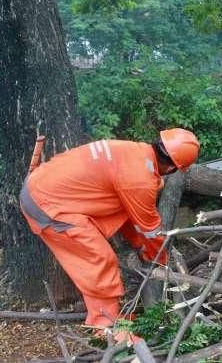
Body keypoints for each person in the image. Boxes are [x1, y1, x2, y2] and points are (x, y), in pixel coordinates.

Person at [19, 128, 200, 340]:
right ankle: (107, 327)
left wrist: (138, 243)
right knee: (99, 260)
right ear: (171, 168)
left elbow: (127, 212)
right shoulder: (140, 179)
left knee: (95, 257)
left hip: (44, 188)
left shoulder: (133, 152)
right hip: (49, 205)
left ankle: (107, 315)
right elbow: (151, 230)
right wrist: (159, 258)